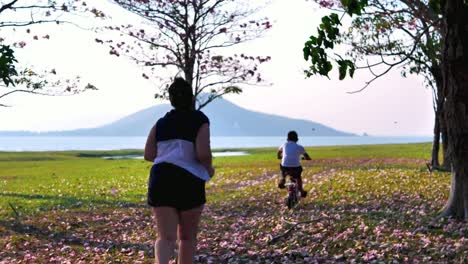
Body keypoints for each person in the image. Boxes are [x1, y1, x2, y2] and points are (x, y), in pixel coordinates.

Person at [144, 77, 215, 264]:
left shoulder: (160, 123)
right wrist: (209, 168)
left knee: (165, 237)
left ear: (171, 99)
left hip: (161, 179)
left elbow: (149, 154)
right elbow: (203, 153)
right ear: (191, 98)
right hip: (188, 181)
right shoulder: (200, 120)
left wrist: (170, 154)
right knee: (187, 237)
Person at [277, 130, 311, 198]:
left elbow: (279, 153)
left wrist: (279, 157)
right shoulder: (299, 147)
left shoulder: (284, 144)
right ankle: (301, 190)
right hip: (295, 167)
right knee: (298, 177)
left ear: (287, 139)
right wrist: (307, 158)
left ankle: (283, 179)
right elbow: (306, 156)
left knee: (283, 170)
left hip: (285, 165)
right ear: (297, 139)